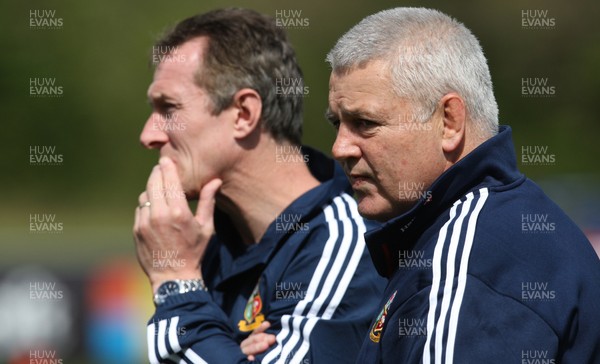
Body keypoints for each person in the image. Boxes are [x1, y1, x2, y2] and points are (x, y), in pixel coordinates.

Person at [324, 7, 600, 363]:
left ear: (450, 121)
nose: (339, 148)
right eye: (337, 124)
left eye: (365, 122)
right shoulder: (488, 228)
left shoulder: (467, 263)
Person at [133, 8, 385, 364]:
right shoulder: (208, 248)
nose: (148, 135)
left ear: (244, 114)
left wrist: (175, 285)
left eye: (169, 108)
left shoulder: (342, 245)